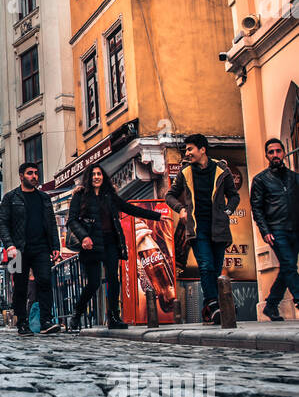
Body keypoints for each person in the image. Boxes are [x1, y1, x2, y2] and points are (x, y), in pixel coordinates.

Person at [67, 164, 160, 330]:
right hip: (91, 245)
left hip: (110, 242)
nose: (97, 177)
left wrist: (157, 215)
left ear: (103, 177)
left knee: (113, 279)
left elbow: (129, 208)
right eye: (94, 174)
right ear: (88, 178)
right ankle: (77, 313)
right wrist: (84, 237)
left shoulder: (109, 195)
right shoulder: (80, 196)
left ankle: (114, 317)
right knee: (94, 283)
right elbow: (72, 220)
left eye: (99, 174)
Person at [165, 134, 239, 324]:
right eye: (186, 150)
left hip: (219, 228)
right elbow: (170, 195)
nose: (187, 153)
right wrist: (181, 209)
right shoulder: (185, 172)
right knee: (206, 266)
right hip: (197, 228)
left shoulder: (222, 170)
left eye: (190, 149)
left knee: (214, 268)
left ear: (202, 149)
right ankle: (215, 305)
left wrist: (227, 210)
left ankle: (209, 306)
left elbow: (234, 196)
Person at [0, 161, 62, 335]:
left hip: (41, 247)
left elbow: (51, 223)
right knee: (20, 287)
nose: (34, 176)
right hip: (17, 251)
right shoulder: (10, 198)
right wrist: (9, 244)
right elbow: (2, 224)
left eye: (36, 173)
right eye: (30, 173)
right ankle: (22, 322)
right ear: (21, 176)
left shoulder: (44, 198)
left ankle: (46, 321)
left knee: (45, 282)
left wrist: (55, 245)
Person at [250, 138, 299, 321]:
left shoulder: (295, 178)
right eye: (271, 152)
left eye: (278, 151)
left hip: (295, 228)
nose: (275, 155)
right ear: (267, 155)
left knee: (288, 267)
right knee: (288, 265)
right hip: (276, 229)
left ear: (284, 153)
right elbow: (257, 208)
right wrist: (265, 231)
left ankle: (271, 305)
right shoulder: (261, 180)